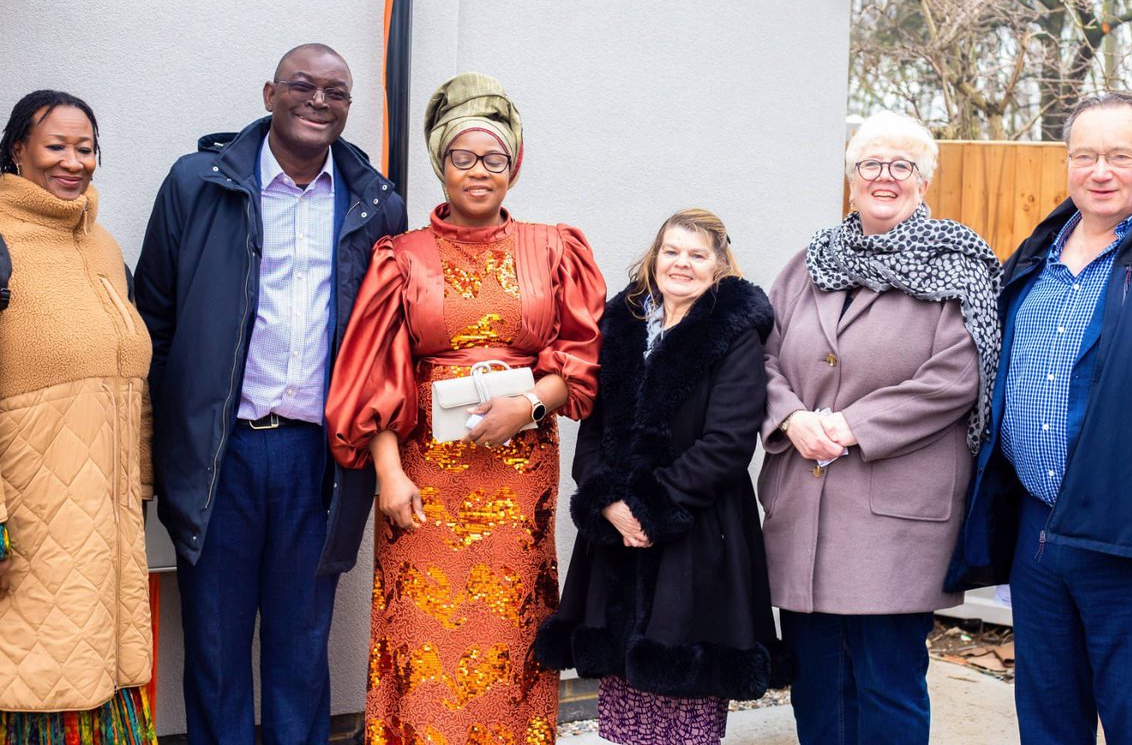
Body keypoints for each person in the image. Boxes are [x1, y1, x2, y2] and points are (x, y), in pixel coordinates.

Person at [134, 44, 407, 745]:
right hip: (220, 456)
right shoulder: (198, 184)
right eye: (302, 85)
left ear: (348, 107)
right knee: (215, 646)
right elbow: (153, 321)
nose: (318, 100)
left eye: (335, 92)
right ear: (269, 93)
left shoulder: (376, 205)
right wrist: (175, 436)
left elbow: (386, 339)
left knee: (302, 647)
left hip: (319, 458)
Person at [325, 72, 604, 745]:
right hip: (423, 478)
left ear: (515, 165)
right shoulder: (400, 257)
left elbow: (580, 359)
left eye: (494, 159)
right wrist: (389, 476)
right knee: (423, 635)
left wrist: (527, 406)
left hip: (519, 477)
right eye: (463, 157)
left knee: (511, 631)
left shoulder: (555, 248)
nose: (479, 171)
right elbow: (375, 372)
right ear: (440, 163)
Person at [947, 91, 1132, 743]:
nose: (1101, 171)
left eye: (1120, 155)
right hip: (1038, 535)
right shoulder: (1036, 255)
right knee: (1048, 723)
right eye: (1085, 156)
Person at [759, 111, 1001, 744]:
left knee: (886, 684)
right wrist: (790, 416)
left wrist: (850, 426)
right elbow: (758, 355)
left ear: (925, 181)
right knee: (817, 687)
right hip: (803, 511)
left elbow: (958, 375)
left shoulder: (958, 264)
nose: (884, 177)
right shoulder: (809, 263)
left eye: (903, 165)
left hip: (896, 521)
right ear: (851, 177)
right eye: (870, 164)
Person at [535, 208, 782, 745]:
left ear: (719, 266)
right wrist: (608, 504)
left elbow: (728, 443)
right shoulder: (621, 326)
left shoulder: (732, 332)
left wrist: (648, 508)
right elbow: (593, 432)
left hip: (697, 530)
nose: (681, 263)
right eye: (671, 251)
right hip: (616, 538)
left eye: (697, 255)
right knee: (625, 703)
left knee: (683, 696)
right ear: (654, 257)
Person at [0, 90, 156, 743]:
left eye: (85, 148)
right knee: (33, 674)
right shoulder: (2, 243)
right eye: (56, 146)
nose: (74, 161)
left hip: (108, 523)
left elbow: (131, 381)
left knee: (97, 672)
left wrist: (142, 486)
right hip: (27, 525)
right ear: (18, 150)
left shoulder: (103, 248)